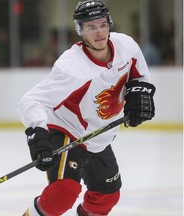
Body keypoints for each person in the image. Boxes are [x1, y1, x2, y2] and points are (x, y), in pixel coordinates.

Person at [17, 1, 156, 215]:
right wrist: (37, 133)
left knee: (107, 196)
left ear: (109, 24)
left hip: (99, 136)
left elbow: (139, 77)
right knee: (61, 195)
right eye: (91, 27)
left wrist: (139, 93)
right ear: (80, 31)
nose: (99, 32)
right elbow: (31, 100)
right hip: (68, 130)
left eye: (102, 24)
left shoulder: (126, 46)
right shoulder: (71, 66)